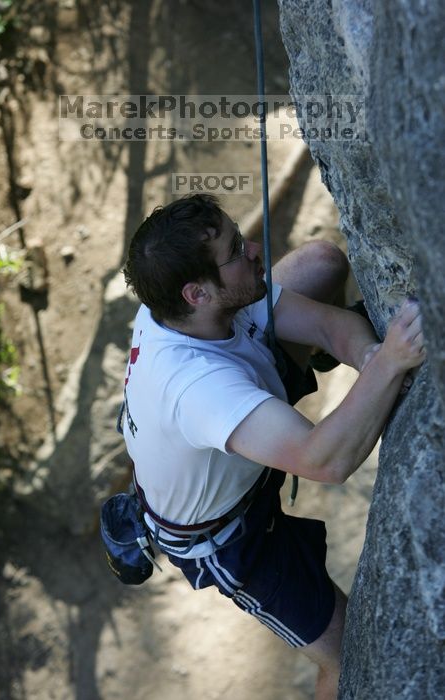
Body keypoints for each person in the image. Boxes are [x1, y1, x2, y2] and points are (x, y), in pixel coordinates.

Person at [121, 194, 426, 699]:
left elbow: (331, 323)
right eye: (237, 250)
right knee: (350, 660)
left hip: (230, 406)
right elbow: (324, 461)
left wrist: (369, 354)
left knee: (320, 264)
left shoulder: (184, 303)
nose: (257, 249)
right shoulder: (198, 388)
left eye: (238, 235)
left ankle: (277, 392)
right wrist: (391, 365)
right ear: (196, 293)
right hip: (231, 535)